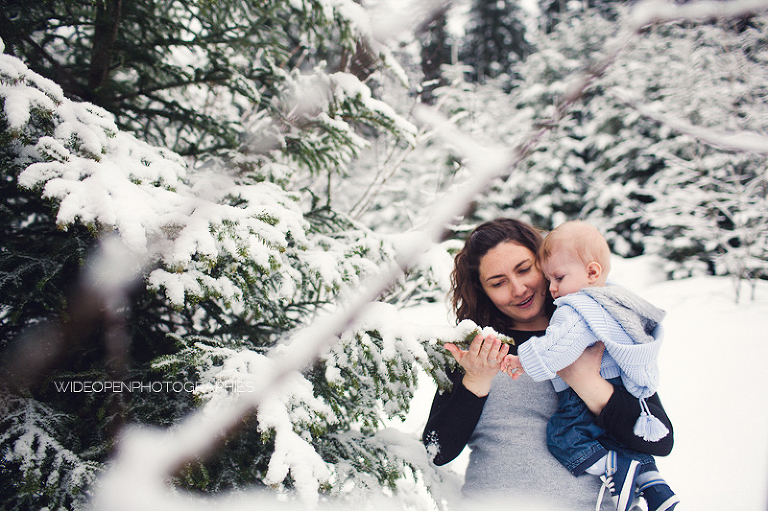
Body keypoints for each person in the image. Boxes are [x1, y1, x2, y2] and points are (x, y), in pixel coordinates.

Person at [422, 218, 674, 511]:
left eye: (524, 269)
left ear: (545, 262)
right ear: (482, 290)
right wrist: (475, 381)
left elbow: (659, 439)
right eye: (498, 282)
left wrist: (588, 384)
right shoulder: (477, 350)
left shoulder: (597, 330)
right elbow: (436, 450)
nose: (518, 289)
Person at [500, 221, 678, 511]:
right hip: (622, 385)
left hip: (580, 393)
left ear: (592, 272)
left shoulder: (576, 306)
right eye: (549, 280)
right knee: (623, 439)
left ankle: (614, 466)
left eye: (557, 277)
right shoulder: (612, 301)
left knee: (563, 436)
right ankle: (652, 482)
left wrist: (525, 361)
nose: (553, 288)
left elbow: (560, 345)